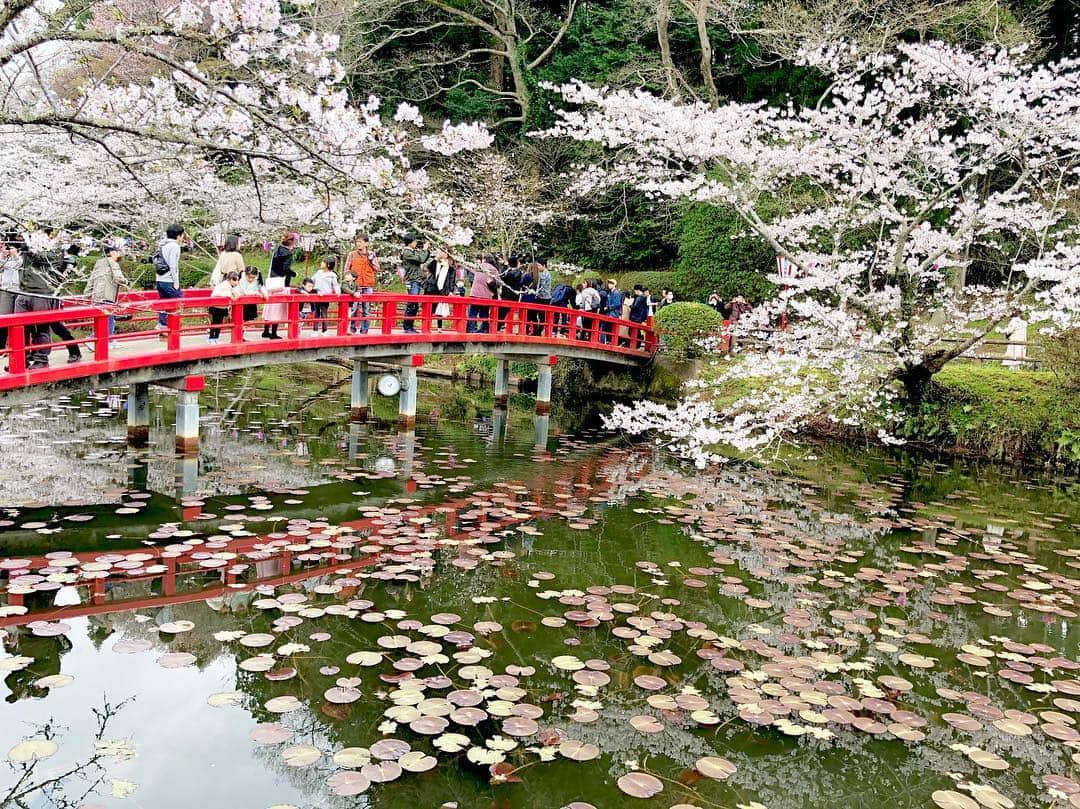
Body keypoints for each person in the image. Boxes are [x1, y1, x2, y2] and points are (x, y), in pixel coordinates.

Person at [84, 246, 127, 342]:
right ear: (112, 253)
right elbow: (119, 278)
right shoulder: (113, 263)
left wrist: (86, 295)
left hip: (97, 296)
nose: (119, 255)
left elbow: (91, 280)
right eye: (118, 252)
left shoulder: (99, 263)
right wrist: (126, 282)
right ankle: (97, 338)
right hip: (108, 295)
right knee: (109, 318)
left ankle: (108, 339)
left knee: (102, 319)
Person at [343, 234, 379, 333]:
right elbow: (346, 269)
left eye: (360, 242)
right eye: (357, 242)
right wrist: (349, 281)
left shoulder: (371, 254)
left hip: (368, 284)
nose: (358, 244)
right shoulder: (352, 254)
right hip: (355, 285)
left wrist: (371, 260)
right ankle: (352, 328)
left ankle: (364, 330)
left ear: (366, 243)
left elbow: (377, 268)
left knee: (366, 310)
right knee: (354, 308)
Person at [154, 223, 184, 329]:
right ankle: (173, 326)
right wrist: (176, 282)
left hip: (159, 279)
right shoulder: (175, 246)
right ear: (178, 235)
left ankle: (162, 324)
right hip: (169, 280)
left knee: (164, 302)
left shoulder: (162, 245)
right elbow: (173, 265)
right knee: (178, 300)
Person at [400, 235, 430, 333]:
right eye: (415, 241)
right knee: (412, 303)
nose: (416, 243)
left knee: (414, 304)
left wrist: (426, 251)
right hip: (412, 279)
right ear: (410, 242)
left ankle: (409, 326)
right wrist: (424, 249)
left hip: (415, 279)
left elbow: (423, 259)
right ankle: (407, 327)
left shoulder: (411, 252)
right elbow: (420, 259)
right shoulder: (407, 252)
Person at [1, 240, 24, 355]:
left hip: (20, 290)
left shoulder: (22, 257)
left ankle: (16, 348)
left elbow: (19, 265)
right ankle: (2, 347)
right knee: (4, 318)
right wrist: (4, 257)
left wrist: (15, 256)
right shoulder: (4, 257)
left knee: (18, 320)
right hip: (6, 289)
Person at [424, 248, 455, 329]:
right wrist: (436, 258)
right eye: (442, 252)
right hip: (431, 288)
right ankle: (426, 327)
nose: (443, 254)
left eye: (445, 252)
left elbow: (452, 280)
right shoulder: (436, 263)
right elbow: (429, 267)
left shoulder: (450, 268)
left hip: (442, 290)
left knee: (439, 308)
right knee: (429, 309)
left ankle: (439, 327)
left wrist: (451, 291)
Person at [207, 271, 241, 344]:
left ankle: (216, 338)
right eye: (234, 279)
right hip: (216, 307)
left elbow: (235, 295)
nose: (236, 282)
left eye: (237, 280)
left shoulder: (231, 286)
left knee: (219, 324)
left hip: (222, 307)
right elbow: (216, 294)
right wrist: (229, 294)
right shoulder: (223, 285)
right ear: (229, 279)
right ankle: (211, 339)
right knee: (215, 323)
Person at [466, 257, 496, 333]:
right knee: (484, 313)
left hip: (475, 293)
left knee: (472, 313)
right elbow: (498, 283)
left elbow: (468, 267)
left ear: (485, 260)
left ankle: (470, 329)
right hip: (486, 295)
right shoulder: (494, 270)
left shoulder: (479, 267)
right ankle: (484, 329)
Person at [312, 257, 340, 333]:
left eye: (323, 262)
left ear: (328, 265)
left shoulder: (332, 275)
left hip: (326, 296)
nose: (321, 263)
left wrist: (338, 292)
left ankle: (325, 330)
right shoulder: (318, 272)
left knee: (324, 313)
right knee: (316, 313)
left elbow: (335, 285)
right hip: (317, 295)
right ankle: (315, 330)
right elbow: (312, 280)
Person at [601, 279, 624, 344]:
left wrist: (608, 307)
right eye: (609, 283)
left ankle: (608, 341)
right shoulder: (610, 292)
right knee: (607, 327)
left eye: (611, 283)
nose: (609, 285)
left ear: (614, 285)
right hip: (610, 313)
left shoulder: (616, 293)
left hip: (613, 313)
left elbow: (617, 304)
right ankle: (608, 341)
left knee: (606, 327)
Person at [628, 284, 650, 349]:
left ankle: (636, 345)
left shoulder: (639, 298)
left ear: (637, 290)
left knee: (632, 331)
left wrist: (629, 305)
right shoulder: (644, 297)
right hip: (640, 317)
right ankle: (637, 344)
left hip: (636, 317)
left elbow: (635, 307)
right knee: (637, 331)